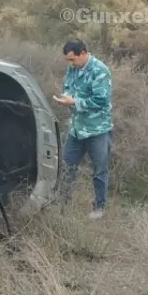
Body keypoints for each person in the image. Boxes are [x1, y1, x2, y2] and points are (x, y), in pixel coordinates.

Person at [54, 39, 113, 219]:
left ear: (83, 53)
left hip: (97, 130)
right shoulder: (73, 69)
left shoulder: (99, 71)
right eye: (68, 60)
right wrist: (66, 97)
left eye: (73, 59)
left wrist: (75, 102)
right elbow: (68, 87)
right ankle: (62, 204)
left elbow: (101, 100)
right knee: (67, 167)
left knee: (99, 170)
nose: (70, 64)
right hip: (77, 129)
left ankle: (99, 207)